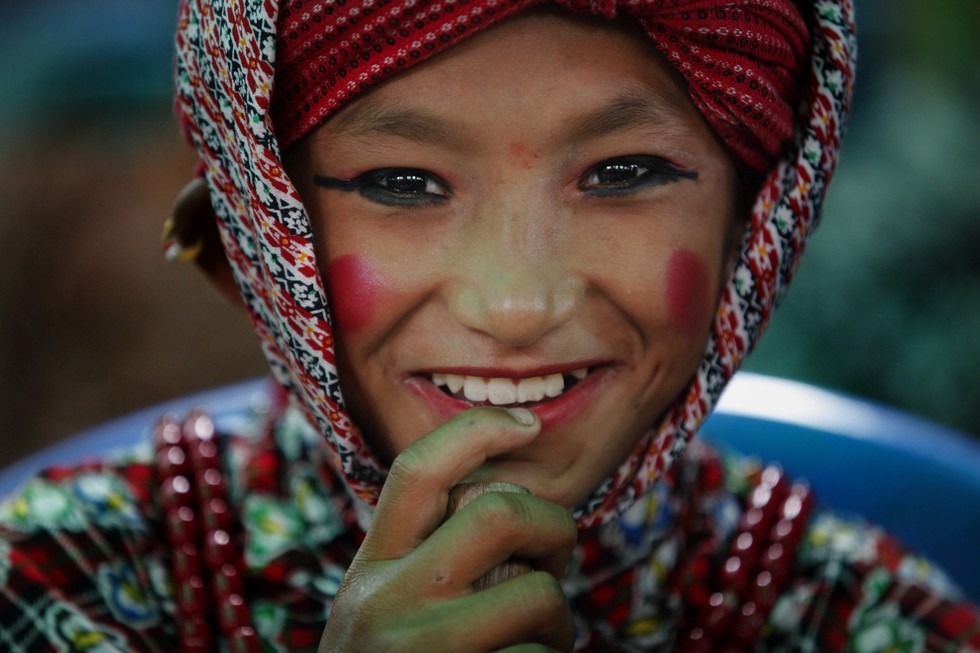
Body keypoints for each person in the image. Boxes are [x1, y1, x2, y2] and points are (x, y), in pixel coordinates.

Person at [1, 0, 977, 651]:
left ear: (752, 225)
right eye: (401, 184)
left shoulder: (860, 617)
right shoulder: (54, 579)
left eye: (623, 174)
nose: (514, 306)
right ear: (265, 231)